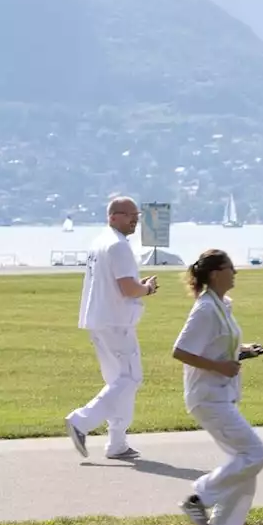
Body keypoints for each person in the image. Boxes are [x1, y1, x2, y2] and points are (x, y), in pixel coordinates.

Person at [173, 249, 263, 525]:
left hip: (221, 396)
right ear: (216, 273)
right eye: (230, 268)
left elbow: (216, 346)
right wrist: (220, 366)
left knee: (245, 468)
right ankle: (199, 497)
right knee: (255, 455)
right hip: (208, 397)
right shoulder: (205, 309)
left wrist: (243, 352)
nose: (235, 272)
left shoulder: (221, 305)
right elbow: (181, 351)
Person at [65, 196, 159, 460]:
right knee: (129, 379)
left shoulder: (99, 243)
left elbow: (117, 283)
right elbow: (128, 288)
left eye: (136, 215)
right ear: (113, 216)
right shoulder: (118, 246)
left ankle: (117, 442)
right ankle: (81, 421)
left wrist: (138, 286)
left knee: (118, 382)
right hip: (116, 321)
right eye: (130, 215)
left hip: (100, 319)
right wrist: (147, 288)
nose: (135, 219)